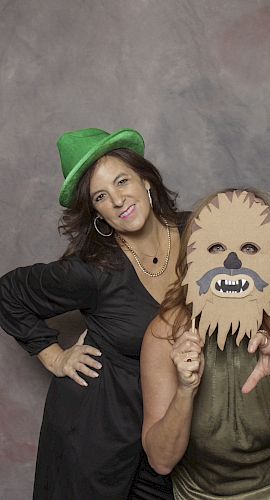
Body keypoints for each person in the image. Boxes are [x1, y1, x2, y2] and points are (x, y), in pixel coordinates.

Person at [0, 128, 189, 499]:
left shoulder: (198, 233)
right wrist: (54, 356)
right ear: (96, 211)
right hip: (97, 430)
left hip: (171, 425)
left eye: (123, 181)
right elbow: (8, 292)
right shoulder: (91, 269)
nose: (118, 201)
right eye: (101, 196)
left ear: (146, 180)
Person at [141, 189, 270, 500]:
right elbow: (161, 461)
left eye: (249, 247)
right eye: (216, 247)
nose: (232, 262)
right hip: (200, 493)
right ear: (192, 257)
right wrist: (184, 389)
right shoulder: (165, 334)